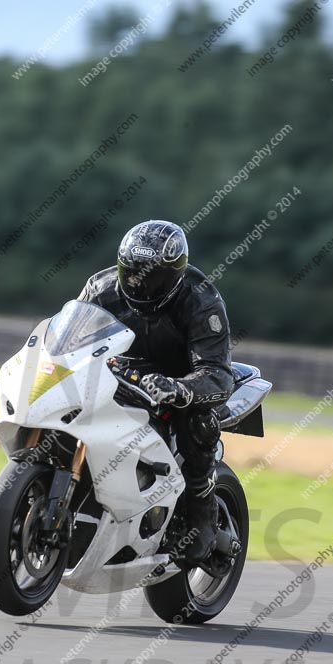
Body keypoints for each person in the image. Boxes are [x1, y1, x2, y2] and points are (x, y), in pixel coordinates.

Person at [78, 220, 234, 574]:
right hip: (119, 372)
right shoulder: (100, 289)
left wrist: (181, 389)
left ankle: (200, 513)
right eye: (131, 273)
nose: (139, 283)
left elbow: (217, 373)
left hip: (177, 381)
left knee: (199, 421)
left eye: (153, 278)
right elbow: (71, 337)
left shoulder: (200, 300)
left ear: (175, 274)